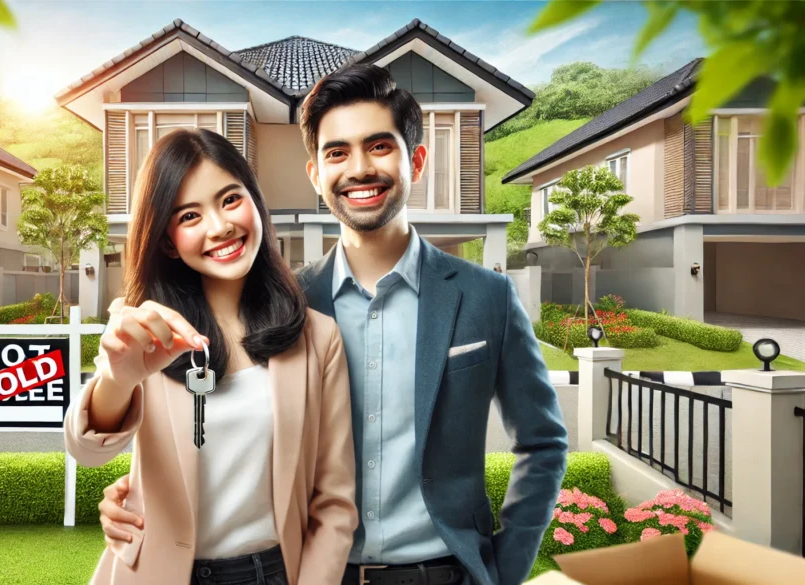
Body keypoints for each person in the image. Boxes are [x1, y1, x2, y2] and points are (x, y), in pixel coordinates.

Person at [99, 64, 568, 585]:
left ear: (416, 158)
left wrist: (505, 569)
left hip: (447, 571)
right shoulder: (284, 309)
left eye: (379, 146)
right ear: (315, 174)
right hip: (315, 570)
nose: (359, 168)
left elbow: (543, 442)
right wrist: (138, 489)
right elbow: (231, 436)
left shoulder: (487, 297)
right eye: (337, 152)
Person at [64, 128, 358, 585]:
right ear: (166, 241)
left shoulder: (319, 339)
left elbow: (335, 503)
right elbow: (86, 451)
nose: (219, 226)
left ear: (256, 202)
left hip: (276, 573)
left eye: (229, 199)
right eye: (189, 216)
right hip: (156, 572)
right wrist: (118, 380)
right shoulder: (146, 330)